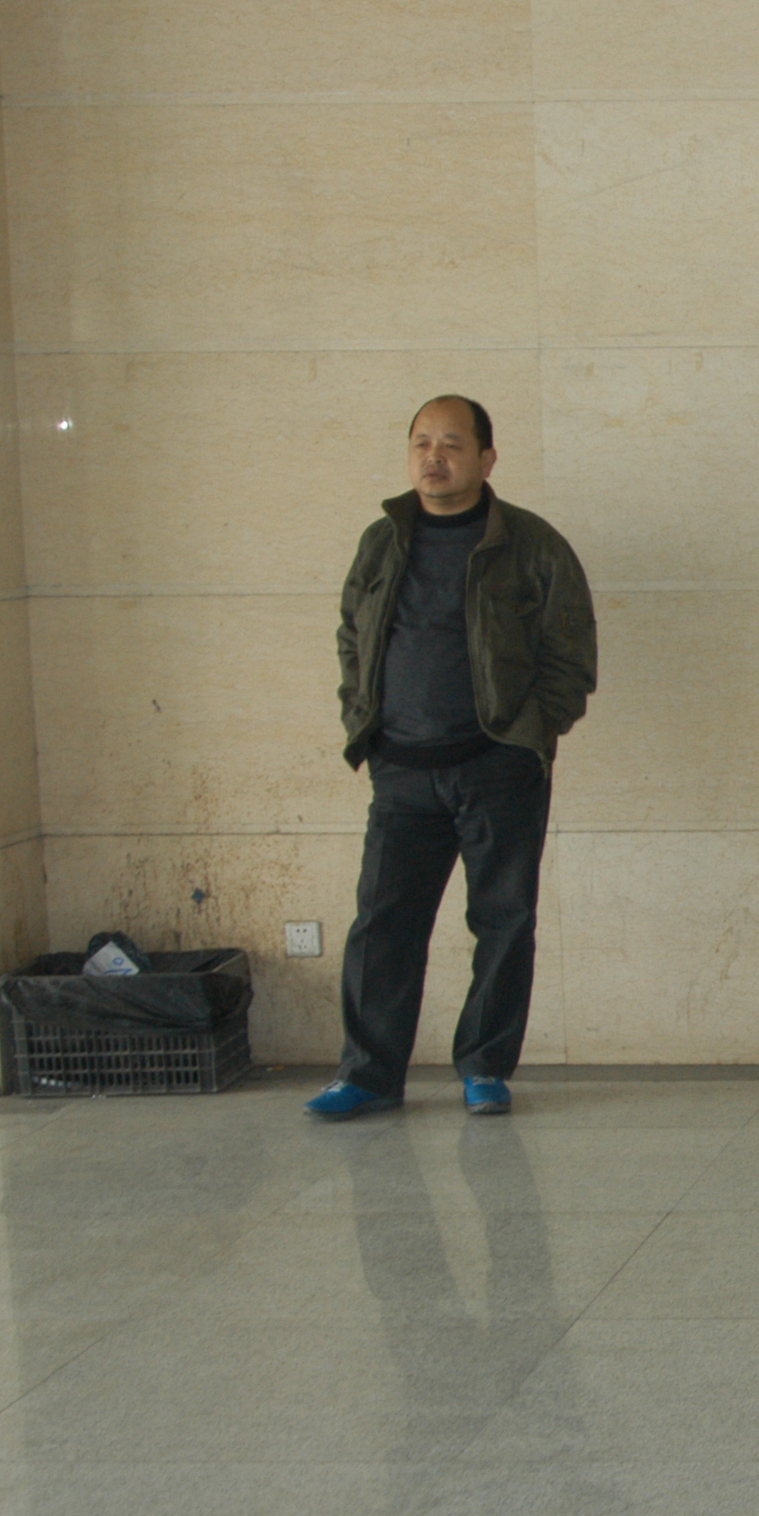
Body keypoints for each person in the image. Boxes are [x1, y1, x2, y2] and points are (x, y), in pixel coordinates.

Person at [306, 397, 598, 1122]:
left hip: (497, 769)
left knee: (502, 923)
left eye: (452, 444)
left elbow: (570, 653)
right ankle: (369, 1074)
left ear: (487, 459)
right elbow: (352, 635)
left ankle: (485, 1068)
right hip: (401, 771)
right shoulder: (382, 540)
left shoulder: (531, 544)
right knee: (383, 926)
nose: (434, 458)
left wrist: (529, 735)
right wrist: (363, 720)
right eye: (421, 444)